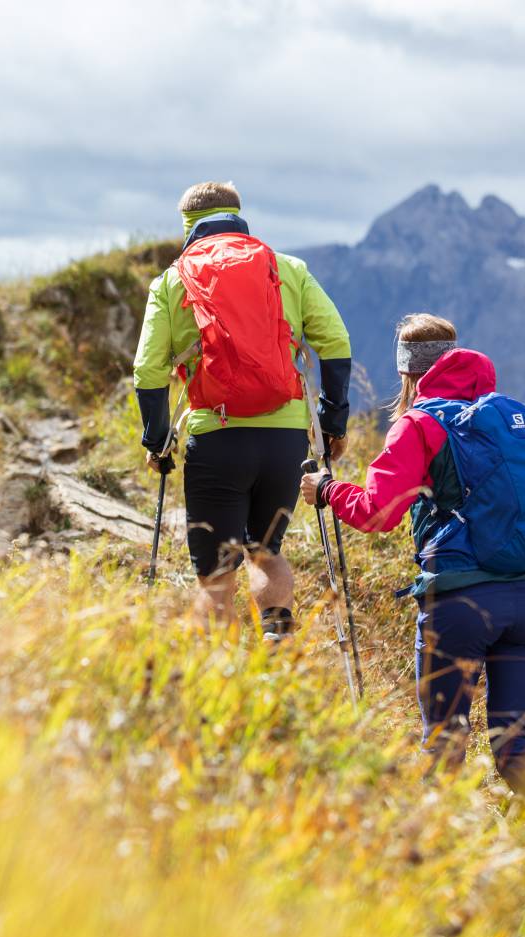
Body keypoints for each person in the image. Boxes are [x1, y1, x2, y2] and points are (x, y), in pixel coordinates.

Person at [300, 313, 525, 862]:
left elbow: (377, 513)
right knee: (516, 748)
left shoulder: (420, 424)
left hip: (460, 604)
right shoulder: (516, 420)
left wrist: (327, 490)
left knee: (444, 746)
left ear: (408, 373)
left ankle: (431, 876)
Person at [134, 181, 352, 636]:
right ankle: (277, 639)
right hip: (285, 438)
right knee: (265, 549)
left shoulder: (172, 279)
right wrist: (333, 420)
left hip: (216, 435)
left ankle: (220, 679)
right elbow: (335, 341)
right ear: (238, 215)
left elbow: (148, 371)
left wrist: (157, 440)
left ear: (188, 225)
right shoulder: (287, 268)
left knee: (216, 574)